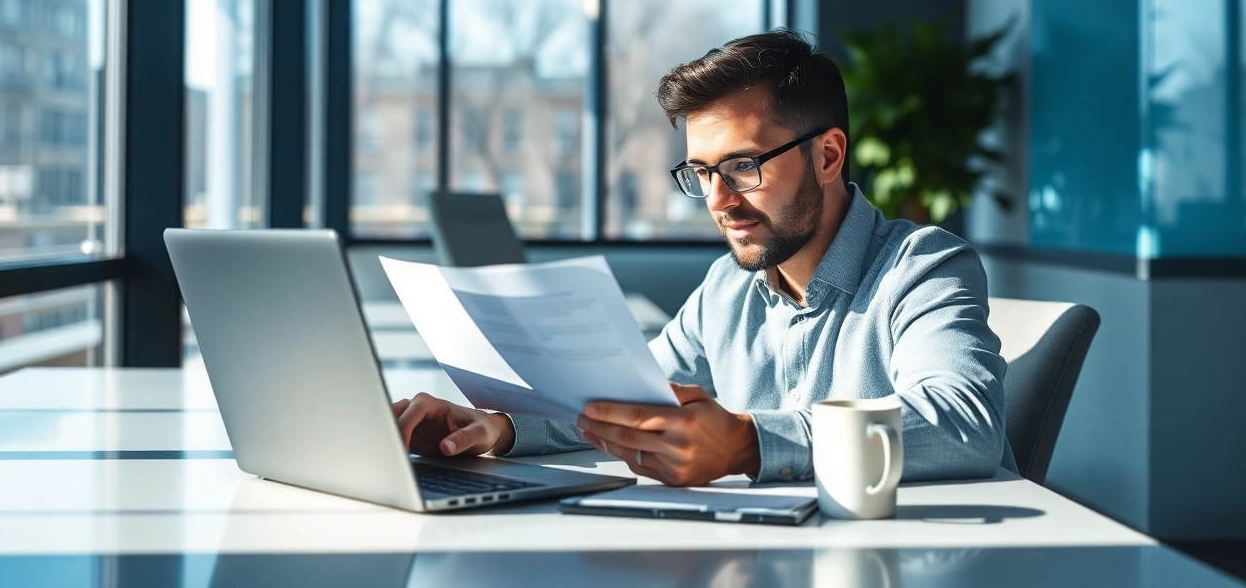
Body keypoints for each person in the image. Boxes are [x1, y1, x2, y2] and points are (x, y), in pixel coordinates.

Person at [394, 29, 1016, 487]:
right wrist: (492, 426)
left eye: (743, 166)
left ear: (828, 156)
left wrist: (750, 444)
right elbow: (620, 399)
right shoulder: (728, 289)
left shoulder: (923, 268)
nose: (718, 201)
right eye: (701, 172)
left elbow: (964, 424)